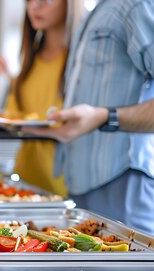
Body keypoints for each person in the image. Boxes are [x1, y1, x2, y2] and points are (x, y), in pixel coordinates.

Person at [23, 0, 154, 235]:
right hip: (85, 190)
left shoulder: (134, 5)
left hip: (122, 186)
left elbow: (100, 113)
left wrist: (105, 117)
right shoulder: (99, 12)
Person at [2, 0, 86, 197]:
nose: (34, 6)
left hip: (66, 188)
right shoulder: (28, 63)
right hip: (25, 185)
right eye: (30, 0)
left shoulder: (82, 64)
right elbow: (11, 116)